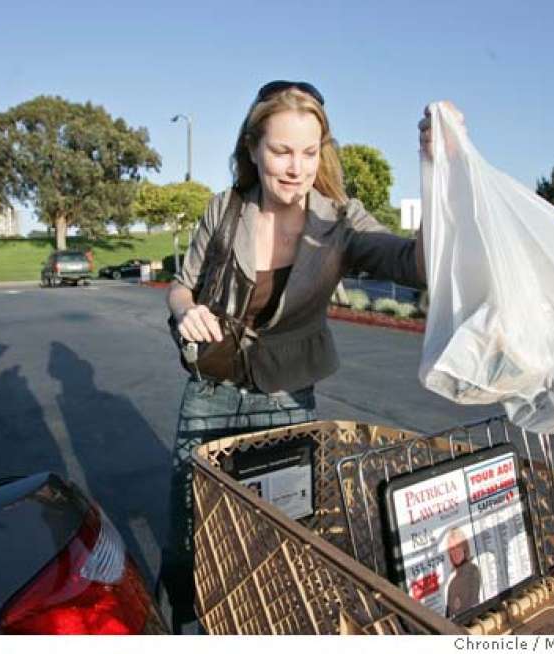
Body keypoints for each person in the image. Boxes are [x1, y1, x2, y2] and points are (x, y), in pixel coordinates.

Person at [159, 80, 451, 632]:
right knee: (190, 532)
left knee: (284, 533)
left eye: (309, 152)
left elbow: (418, 265)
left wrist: (434, 168)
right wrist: (184, 311)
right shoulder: (225, 209)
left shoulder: (339, 221)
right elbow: (182, 286)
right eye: (281, 151)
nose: (296, 168)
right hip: (210, 390)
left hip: (288, 396)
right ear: (253, 149)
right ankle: (185, 626)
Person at [444, 527, 482, 619]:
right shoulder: (451, 583)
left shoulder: (473, 571)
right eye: (452, 548)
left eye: (458, 546)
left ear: (464, 547)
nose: (455, 552)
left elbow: (472, 608)